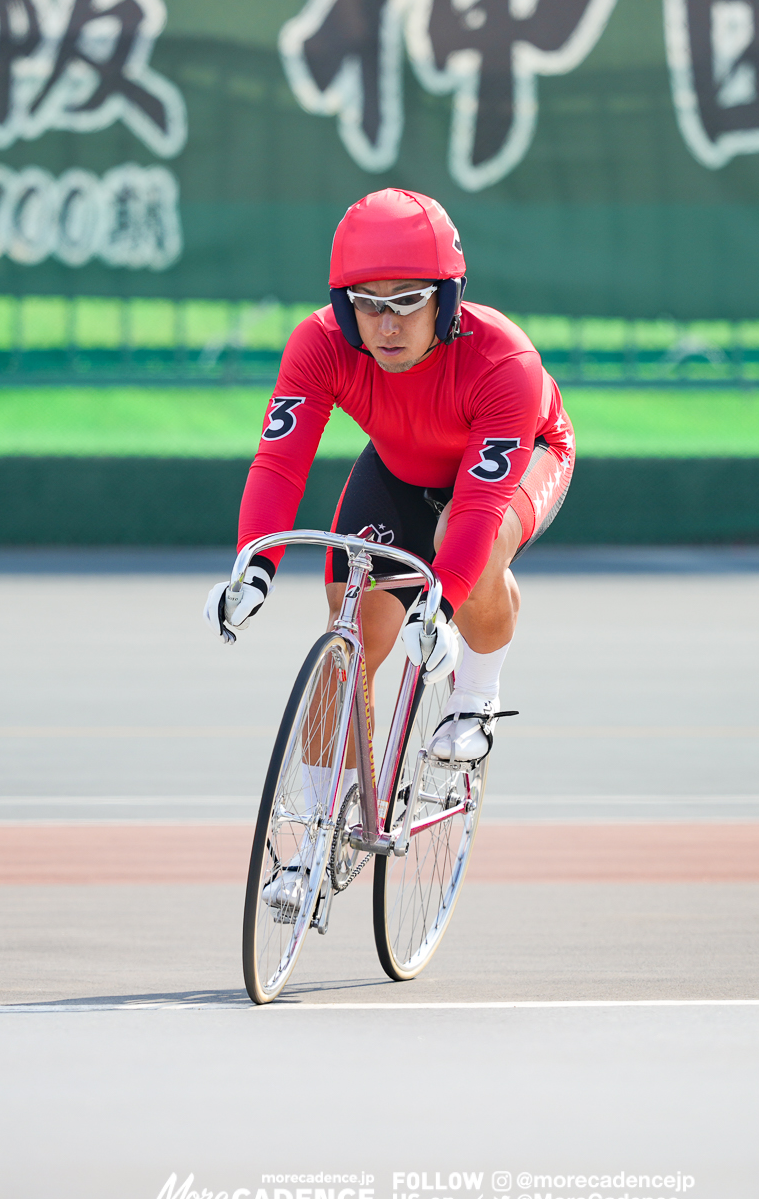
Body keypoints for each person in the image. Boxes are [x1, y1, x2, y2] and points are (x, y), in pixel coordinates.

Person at [205, 187, 574, 773]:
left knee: (466, 547)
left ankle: (475, 697)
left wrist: (443, 604)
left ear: (447, 300)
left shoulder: (506, 364)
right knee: (348, 638)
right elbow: (280, 462)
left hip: (523, 456)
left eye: (408, 301)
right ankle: (315, 838)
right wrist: (255, 562)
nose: (387, 324)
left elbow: (477, 512)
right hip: (402, 466)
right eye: (367, 303)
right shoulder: (319, 345)